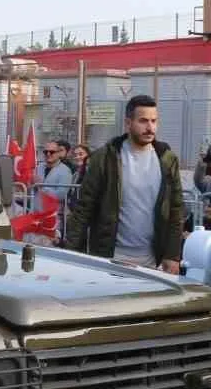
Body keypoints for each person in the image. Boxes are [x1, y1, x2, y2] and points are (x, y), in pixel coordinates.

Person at [62, 95, 185, 272]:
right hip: (111, 258)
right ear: (128, 123)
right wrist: (71, 254)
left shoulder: (167, 159)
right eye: (143, 121)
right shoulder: (104, 158)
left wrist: (173, 256)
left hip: (152, 261)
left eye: (154, 121)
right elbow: (83, 209)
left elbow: (176, 209)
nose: (150, 127)